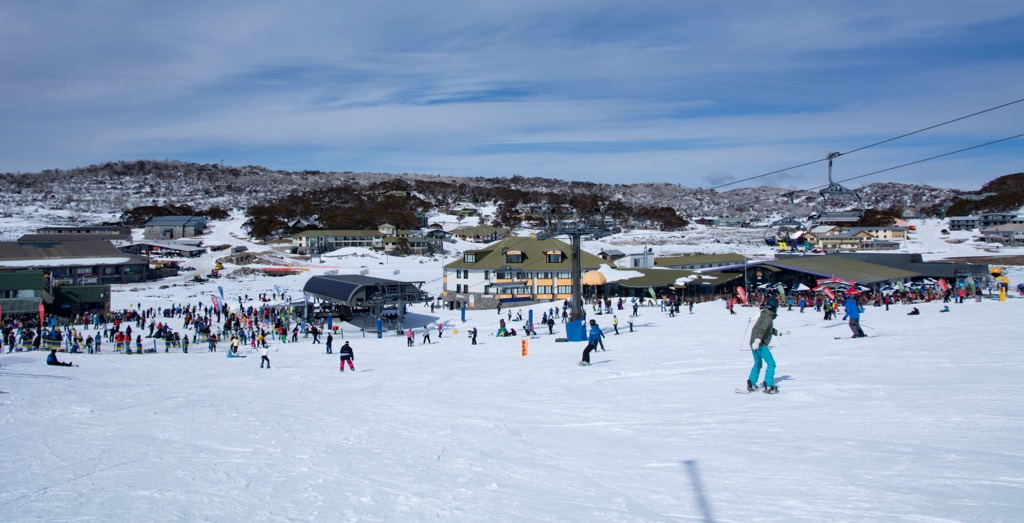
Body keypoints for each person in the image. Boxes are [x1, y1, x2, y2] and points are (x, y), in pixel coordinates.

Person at [747, 297, 781, 393]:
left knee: (758, 364)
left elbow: (767, 329)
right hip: (759, 344)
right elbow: (761, 329)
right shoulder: (768, 317)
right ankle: (768, 386)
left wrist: (779, 333)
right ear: (773, 308)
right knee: (771, 364)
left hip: (753, 343)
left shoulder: (764, 314)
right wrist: (757, 341)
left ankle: (751, 384)